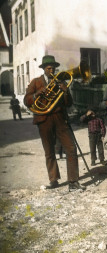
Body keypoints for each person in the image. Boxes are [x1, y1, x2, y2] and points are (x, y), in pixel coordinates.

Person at [23, 55, 86, 191]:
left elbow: (69, 104)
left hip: (60, 118)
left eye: (53, 68)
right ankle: (54, 179)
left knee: (71, 148)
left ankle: (73, 182)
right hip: (43, 119)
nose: (51, 70)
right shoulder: (36, 82)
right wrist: (38, 93)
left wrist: (65, 92)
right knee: (49, 151)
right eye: (49, 68)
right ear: (44, 69)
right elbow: (26, 100)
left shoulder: (61, 82)